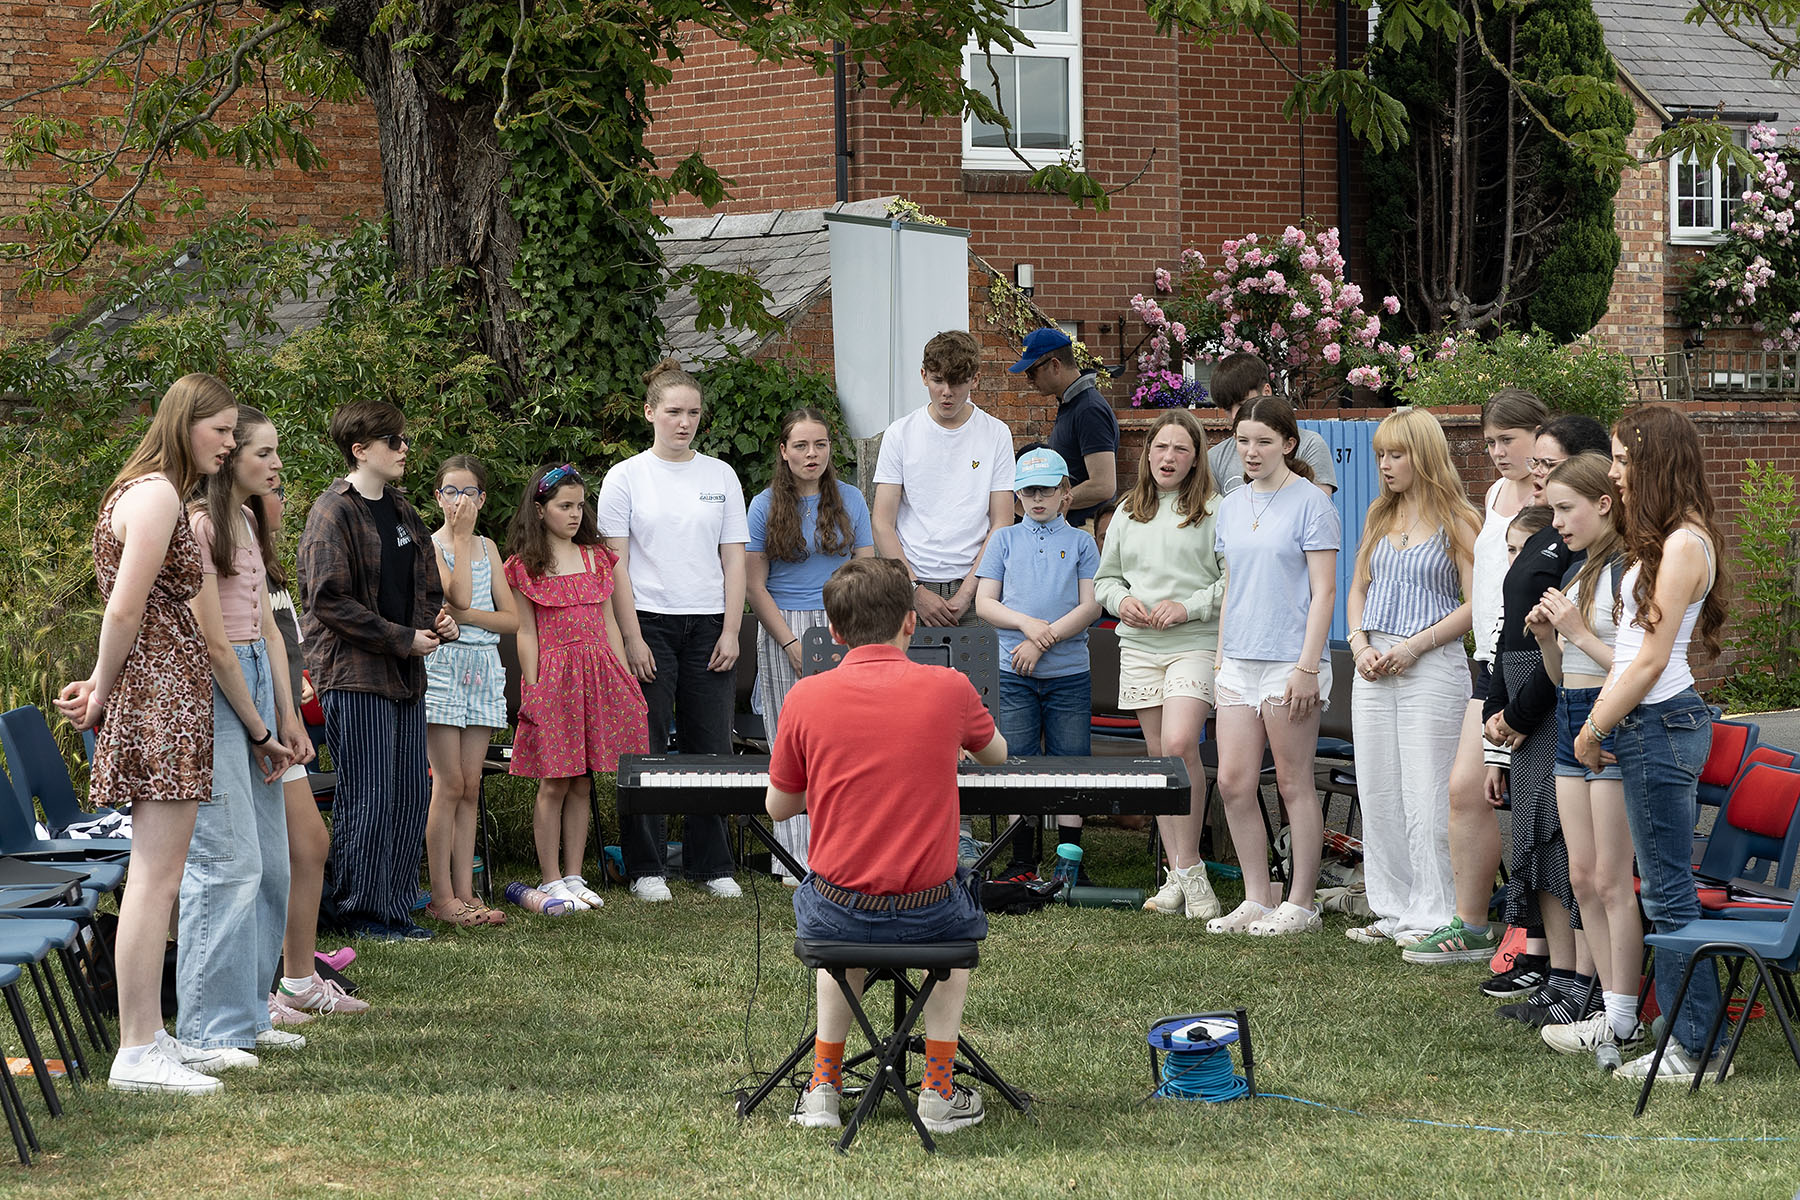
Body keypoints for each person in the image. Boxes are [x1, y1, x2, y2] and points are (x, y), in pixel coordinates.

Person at [766, 558, 1007, 1134]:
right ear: (910, 623)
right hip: (930, 912)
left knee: (833, 921)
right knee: (959, 911)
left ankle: (824, 1086)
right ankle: (939, 1090)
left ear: (835, 631)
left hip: (838, 908)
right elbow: (996, 754)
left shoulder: (806, 697)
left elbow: (777, 807)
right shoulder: (949, 687)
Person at [59, 373, 235, 1094]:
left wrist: (107, 686)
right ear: (184, 422)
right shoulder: (159, 493)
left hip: (167, 696)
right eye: (219, 429)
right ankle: (137, 1050)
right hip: (160, 699)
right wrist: (102, 687)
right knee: (157, 880)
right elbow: (125, 610)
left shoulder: (141, 489)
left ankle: (155, 1037)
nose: (228, 442)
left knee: (161, 878)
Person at [1579, 406, 1731, 1085]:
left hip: (1658, 724)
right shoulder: (1666, 539)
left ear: (1656, 463)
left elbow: (1647, 662)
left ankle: (1695, 1047)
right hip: (1652, 724)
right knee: (1663, 890)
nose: (1613, 471)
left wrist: (1593, 727)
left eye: (1621, 458)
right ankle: (1689, 1038)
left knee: (1667, 895)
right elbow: (1630, 653)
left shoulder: (1683, 546)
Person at [171, 405, 311, 1073]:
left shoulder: (251, 522)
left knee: (272, 866)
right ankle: (204, 1032)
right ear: (231, 460)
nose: (274, 463)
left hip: (258, 684)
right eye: (263, 452)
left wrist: (286, 717)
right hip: (220, 698)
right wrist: (257, 730)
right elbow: (216, 645)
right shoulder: (199, 526)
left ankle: (250, 1017)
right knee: (225, 867)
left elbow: (266, 634)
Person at [298, 399, 457, 942]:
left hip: (405, 673)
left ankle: (393, 909)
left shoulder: (403, 510)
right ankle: (359, 911)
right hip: (354, 674)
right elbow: (328, 601)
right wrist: (402, 637)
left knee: (410, 791)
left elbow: (425, 585)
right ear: (359, 449)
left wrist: (435, 624)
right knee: (368, 793)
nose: (403, 448)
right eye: (393, 441)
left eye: (404, 439)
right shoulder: (332, 512)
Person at [1404, 389, 1546, 965]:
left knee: (1534, 802)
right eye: (1489, 442)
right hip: (1487, 657)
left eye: (1507, 440)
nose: (1497, 452)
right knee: (1465, 789)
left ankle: (1529, 928)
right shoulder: (1493, 493)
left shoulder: (1551, 496)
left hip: (1532, 656)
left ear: (1540, 432)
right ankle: (1472, 922)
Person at [598, 360, 746, 901]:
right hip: (649, 625)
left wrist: (731, 630)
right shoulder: (625, 476)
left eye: (693, 413)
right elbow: (614, 564)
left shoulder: (721, 475)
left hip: (709, 624)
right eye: (674, 412)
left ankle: (712, 864)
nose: (684, 422)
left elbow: (734, 560)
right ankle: (647, 867)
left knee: (712, 747)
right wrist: (632, 636)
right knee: (647, 746)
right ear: (650, 413)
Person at [1344, 409, 1479, 948]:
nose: (1385, 465)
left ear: (1422, 455)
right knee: (1379, 788)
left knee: (1427, 789)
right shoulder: (1380, 514)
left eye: (1395, 454)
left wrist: (1417, 645)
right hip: (1372, 662)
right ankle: (1392, 906)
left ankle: (1435, 910)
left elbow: (1477, 603)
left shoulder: (1460, 519)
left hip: (1432, 664)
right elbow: (1358, 587)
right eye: (1380, 455)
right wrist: (1358, 643)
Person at [1209, 395, 1340, 936]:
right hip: (1237, 663)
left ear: (1288, 443)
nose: (1251, 451)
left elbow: (1324, 589)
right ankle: (1257, 897)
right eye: (1243, 441)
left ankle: (1302, 903)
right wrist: (1219, 659)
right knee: (1235, 783)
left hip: (1291, 662)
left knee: (1292, 783)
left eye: (1263, 441)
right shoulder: (1233, 503)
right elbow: (1233, 584)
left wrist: (1308, 666)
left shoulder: (1312, 503)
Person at [1530, 454, 1641, 1062]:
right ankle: (1602, 1001)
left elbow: (1635, 669)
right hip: (1573, 716)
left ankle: (1622, 1012)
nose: (1557, 522)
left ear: (1603, 504)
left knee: (1608, 877)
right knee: (1580, 877)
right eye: (1551, 510)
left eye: (1566, 509)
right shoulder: (1581, 567)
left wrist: (1572, 631)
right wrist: (1550, 640)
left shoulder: (1628, 568)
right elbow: (1560, 671)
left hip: (1610, 720)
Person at [1092, 410, 1225, 918]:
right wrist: (1119, 601)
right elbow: (1107, 580)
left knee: (1178, 745)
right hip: (1140, 646)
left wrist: (1188, 607)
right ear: (1147, 454)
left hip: (1194, 642)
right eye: (1160, 448)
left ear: (1196, 459)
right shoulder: (1129, 510)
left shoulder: (1215, 509)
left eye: (1180, 450)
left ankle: (1190, 871)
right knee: (1158, 762)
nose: (1168, 458)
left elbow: (1229, 579)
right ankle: (1180, 876)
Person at [511, 463, 650, 908]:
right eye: (563, 506)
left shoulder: (596, 558)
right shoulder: (524, 567)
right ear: (540, 509)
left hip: (597, 675)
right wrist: (532, 687)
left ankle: (574, 873)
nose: (574, 514)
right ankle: (549, 877)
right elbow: (526, 631)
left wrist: (624, 674)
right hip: (554, 678)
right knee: (556, 780)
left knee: (584, 782)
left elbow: (609, 621)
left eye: (579, 505)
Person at [746, 409, 875, 884]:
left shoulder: (852, 499)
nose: (811, 454)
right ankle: (795, 862)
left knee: (849, 740)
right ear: (784, 451)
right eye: (801, 446)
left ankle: (845, 853)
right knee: (790, 738)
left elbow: (865, 570)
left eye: (820, 445)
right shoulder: (763, 506)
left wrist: (854, 629)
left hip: (845, 620)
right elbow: (755, 586)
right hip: (785, 625)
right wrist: (791, 642)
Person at [1482, 505, 1594, 1026]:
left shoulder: (1580, 559)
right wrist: (1494, 712)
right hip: (1524, 693)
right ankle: (1559, 974)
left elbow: (1567, 660)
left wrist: (1520, 714)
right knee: (1537, 845)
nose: (1541, 474)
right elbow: (1509, 640)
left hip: (1559, 707)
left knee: (1565, 848)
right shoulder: (1544, 550)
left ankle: (1583, 983)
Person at [264, 479, 368, 1017]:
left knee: (310, 846)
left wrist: (294, 696)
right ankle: (258, 986)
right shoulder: (220, 549)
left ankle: (299, 979)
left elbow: (281, 646)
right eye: (274, 483)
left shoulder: (269, 562)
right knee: (263, 860)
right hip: (255, 729)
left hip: (281, 725)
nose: (283, 494)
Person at [975, 447, 1102, 881]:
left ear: (1066, 492)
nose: (1037, 498)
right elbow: (985, 603)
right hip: (1013, 673)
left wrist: (1043, 640)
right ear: (1017, 496)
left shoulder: (1083, 542)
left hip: (1068, 673)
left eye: (1047, 489)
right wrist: (1028, 625)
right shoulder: (1003, 540)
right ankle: (1021, 859)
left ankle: (1069, 861)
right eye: (1028, 491)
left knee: (1072, 763)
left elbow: (1091, 607)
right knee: (1017, 762)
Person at [422, 456, 518, 926]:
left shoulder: (489, 546)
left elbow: (511, 618)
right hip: (443, 667)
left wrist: (470, 620)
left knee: (472, 782)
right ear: (437, 497)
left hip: (483, 665)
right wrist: (458, 540)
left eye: (470, 492)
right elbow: (453, 596)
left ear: (483, 499)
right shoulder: (430, 544)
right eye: (451, 491)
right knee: (449, 782)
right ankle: (442, 897)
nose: (461, 501)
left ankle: (466, 892)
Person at [872, 329, 1016, 627]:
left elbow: (1002, 521)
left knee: (975, 676)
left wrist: (967, 595)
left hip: (978, 585)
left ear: (974, 379)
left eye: (957, 382)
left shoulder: (996, 433)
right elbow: (882, 522)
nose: (947, 392)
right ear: (924, 376)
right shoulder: (900, 433)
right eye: (938, 381)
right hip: (910, 586)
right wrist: (915, 591)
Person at [1008, 327, 1119, 529]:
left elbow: (1103, 486)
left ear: (1055, 365)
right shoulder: (1073, 404)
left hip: (1086, 528)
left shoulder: (1088, 409)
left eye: (1032, 371)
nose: (1029, 380)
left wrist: (1041, 504)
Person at [1204, 352, 1337, 497]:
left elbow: (1319, 509)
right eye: (1228, 409)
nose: (1235, 415)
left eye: (1242, 404)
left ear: (1266, 391)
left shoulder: (1309, 444)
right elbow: (1213, 515)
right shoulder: (1215, 457)